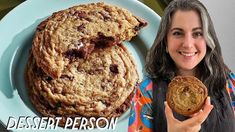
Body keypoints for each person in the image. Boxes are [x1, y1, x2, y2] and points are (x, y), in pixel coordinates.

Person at [128, 0, 235, 131]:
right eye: (178, 33)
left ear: (208, 40)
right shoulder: (145, 92)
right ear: (165, 42)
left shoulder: (230, 83)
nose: (188, 44)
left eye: (197, 33)